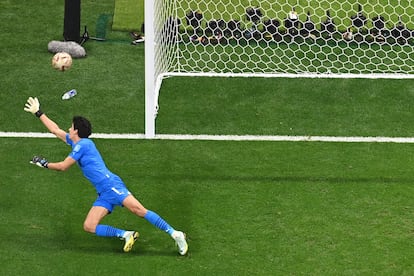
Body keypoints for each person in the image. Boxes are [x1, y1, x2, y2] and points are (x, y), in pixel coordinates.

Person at [23, 97, 188, 255]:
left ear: (76, 131)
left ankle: (176, 234)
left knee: (139, 210)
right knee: (89, 225)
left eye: (71, 127)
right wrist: (39, 113)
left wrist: (44, 163)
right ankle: (126, 235)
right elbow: (55, 130)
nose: (68, 129)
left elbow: (63, 166)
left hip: (111, 186)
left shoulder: (84, 145)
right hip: (103, 192)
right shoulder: (77, 142)